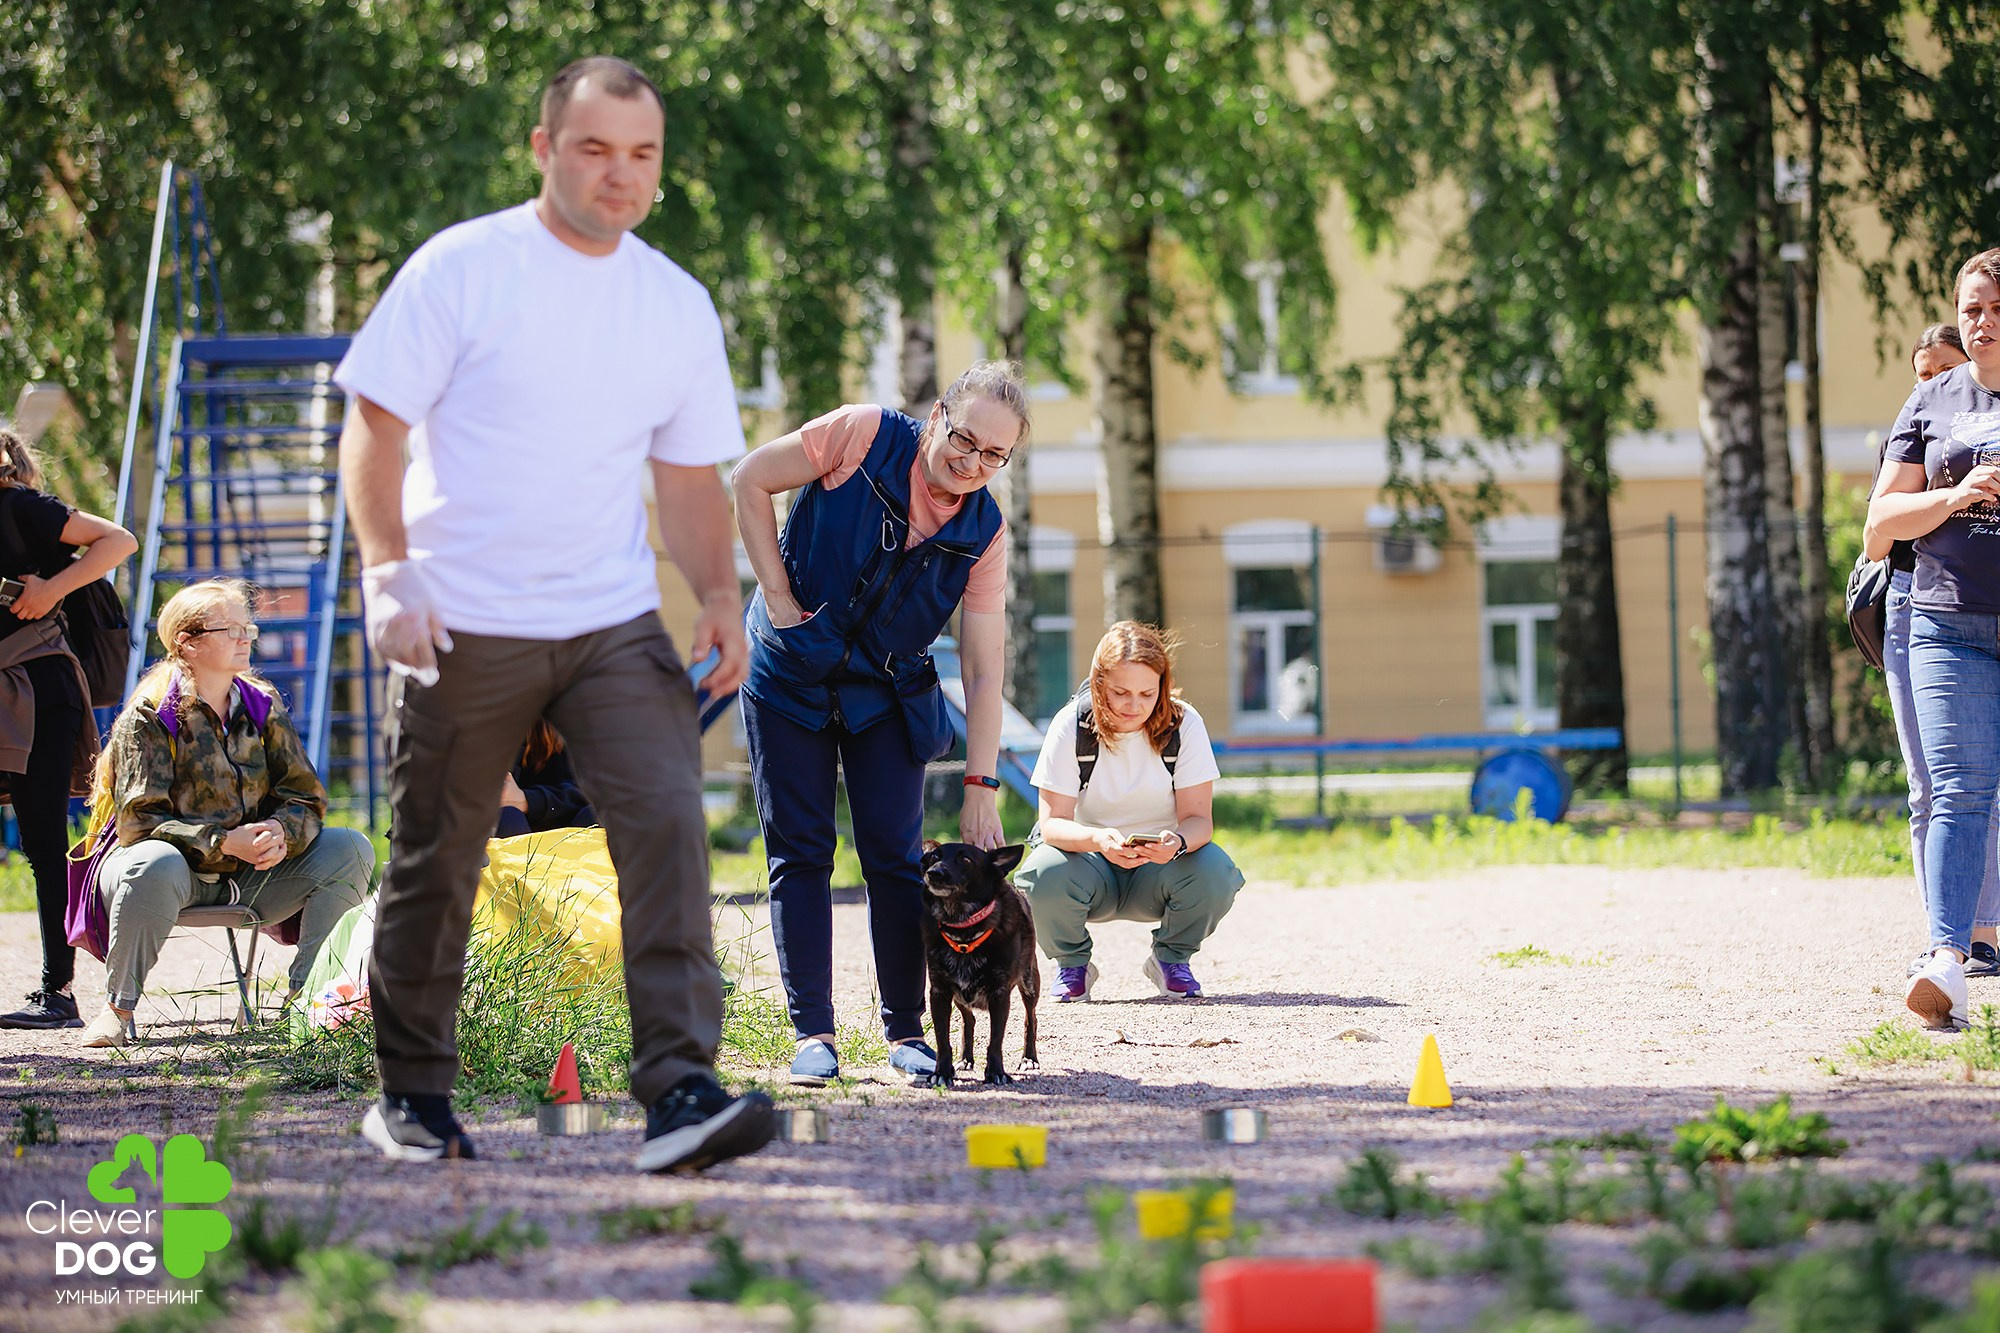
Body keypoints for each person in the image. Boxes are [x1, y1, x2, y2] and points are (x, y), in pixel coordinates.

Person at [334, 55, 773, 1169]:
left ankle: (679, 1090)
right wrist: (387, 575)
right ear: (544, 149)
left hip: (610, 616)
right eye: (594, 148)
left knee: (668, 822)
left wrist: (719, 595)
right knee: (441, 849)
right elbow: (375, 427)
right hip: (462, 613)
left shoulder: (674, 302)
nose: (619, 175)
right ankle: (416, 1097)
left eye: (642, 155)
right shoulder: (463, 270)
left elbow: (684, 478)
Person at [732, 362, 1024, 1086]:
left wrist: (981, 784)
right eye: (965, 439)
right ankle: (813, 1035)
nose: (973, 462)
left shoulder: (985, 533)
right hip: (789, 667)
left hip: (885, 694)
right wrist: (774, 594)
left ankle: (906, 1033)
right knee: (800, 851)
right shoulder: (859, 434)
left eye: (996, 455)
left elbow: (986, 672)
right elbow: (749, 479)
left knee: (898, 860)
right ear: (935, 417)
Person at [79, 580, 373, 1047]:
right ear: (187, 643)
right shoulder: (152, 715)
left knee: (350, 848)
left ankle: (311, 1005)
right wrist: (221, 841)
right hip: (168, 874)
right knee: (154, 861)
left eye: (248, 627)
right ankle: (117, 1010)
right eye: (230, 628)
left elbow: (306, 796)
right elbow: (140, 821)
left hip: (250, 874)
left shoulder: (261, 706)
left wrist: (280, 832)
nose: (245, 638)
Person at [1867, 246, 2000, 1028]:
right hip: (1946, 624)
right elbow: (1881, 524)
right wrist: (1955, 494)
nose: (1980, 323)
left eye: (1995, 308)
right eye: (1971, 307)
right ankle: (1947, 958)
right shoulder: (1931, 401)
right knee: (1953, 787)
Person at [1015, 622, 1243, 1001]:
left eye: (1146, 693)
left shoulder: (1184, 724)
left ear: (1162, 688)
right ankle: (1072, 965)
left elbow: (1200, 820)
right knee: (1040, 872)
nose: (1133, 705)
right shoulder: (1071, 725)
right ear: (1098, 682)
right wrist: (1098, 840)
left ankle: (1171, 960)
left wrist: (1179, 841)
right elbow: (1052, 824)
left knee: (1216, 870)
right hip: (1087, 865)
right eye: (1120, 692)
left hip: (1160, 868)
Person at [0, 429, 136, 1031]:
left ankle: (58, 992)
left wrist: (53, 588)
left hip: (36, 686)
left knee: (42, 838)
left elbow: (119, 539)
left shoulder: (18, 506)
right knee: (39, 840)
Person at [495, 719, 595, 839]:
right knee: (508, 816)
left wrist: (527, 800)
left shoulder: (576, 725)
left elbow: (591, 794)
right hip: (510, 831)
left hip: (566, 831)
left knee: (594, 815)